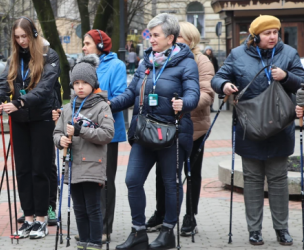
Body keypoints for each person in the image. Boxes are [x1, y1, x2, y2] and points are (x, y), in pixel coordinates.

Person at [212, 15, 304, 246]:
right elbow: (218, 78)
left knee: (278, 180)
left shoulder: (289, 54)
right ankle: (254, 230)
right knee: (252, 181)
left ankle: (282, 229)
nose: (273, 36)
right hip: (249, 127)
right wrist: (224, 86)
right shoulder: (237, 55)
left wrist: (286, 77)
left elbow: (302, 82)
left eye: (275, 32)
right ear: (255, 36)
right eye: (267, 33)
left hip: (279, 127)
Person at [110, 13, 200, 249]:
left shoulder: (186, 62)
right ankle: (138, 231)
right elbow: (131, 93)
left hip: (173, 133)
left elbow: (193, 93)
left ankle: (168, 230)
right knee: (132, 180)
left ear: (170, 38)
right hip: (144, 131)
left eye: (156, 35)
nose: (151, 39)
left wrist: (185, 103)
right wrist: (109, 104)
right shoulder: (145, 61)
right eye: (150, 34)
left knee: (171, 183)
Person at [0, 16, 60, 239]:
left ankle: (41, 219)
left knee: (40, 169)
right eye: (17, 37)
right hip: (19, 120)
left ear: (33, 34)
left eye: (25, 36)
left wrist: (20, 101)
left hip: (42, 118)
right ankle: (28, 218)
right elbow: (3, 83)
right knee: (23, 171)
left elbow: (45, 88)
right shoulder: (14, 58)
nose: (21, 41)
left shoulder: (50, 55)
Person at [147, 21, 214, 237]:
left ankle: (190, 216)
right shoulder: (163, 59)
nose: (174, 39)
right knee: (163, 173)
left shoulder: (201, 61)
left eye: (179, 36)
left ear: (190, 40)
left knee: (191, 173)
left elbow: (207, 93)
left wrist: (186, 102)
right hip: (166, 127)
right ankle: (161, 213)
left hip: (194, 128)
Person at [53, 54, 114, 250]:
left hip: (93, 165)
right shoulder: (67, 109)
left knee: (93, 208)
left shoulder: (101, 106)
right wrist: (60, 140)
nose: (80, 87)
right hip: (73, 167)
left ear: (93, 83)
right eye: (76, 83)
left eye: (85, 82)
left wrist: (82, 131)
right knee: (78, 208)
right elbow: (56, 132)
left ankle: (95, 242)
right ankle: (83, 241)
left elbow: (107, 134)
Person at [78, 29, 128, 243]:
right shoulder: (84, 66)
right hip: (84, 134)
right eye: (83, 43)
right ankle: (88, 227)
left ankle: (104, 228)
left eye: (87, 43)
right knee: (86, 181)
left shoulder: (116, 65)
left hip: (107, 134)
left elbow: (120, 95)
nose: (83, 47)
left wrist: (101, 103)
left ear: (99, 46)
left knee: (104, 181)